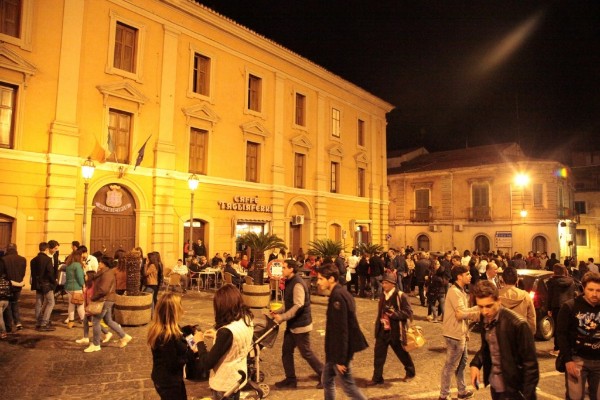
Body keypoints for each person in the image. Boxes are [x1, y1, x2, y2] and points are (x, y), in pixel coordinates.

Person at [470, 280, 539, 399]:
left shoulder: (518, 324)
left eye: (489, 306)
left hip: (515, 390)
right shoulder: (485, 318)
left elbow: (531, 365)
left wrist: (525, 395)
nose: (484, 311)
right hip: (496, 387)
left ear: (499, 301)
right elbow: (487, 346)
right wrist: (476, 364)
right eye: (480, 307)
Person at [316, 263, 368, 400]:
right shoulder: (340, 293)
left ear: (331, 279)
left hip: (340, 353)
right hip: (334, 352)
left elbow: (343, 330)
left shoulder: (338, 297)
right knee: (327, 380)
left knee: (349, 388)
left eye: (321, 279)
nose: (318, 282)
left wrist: (341, 360)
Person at [194, 284, 254, 400]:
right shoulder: (246, 318)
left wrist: (199, 341)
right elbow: (237, 341)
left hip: (224, 383)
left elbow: (207, 363)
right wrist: (217, 335)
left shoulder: (226, 332)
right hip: (237, 377)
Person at [272, 259, 323, 389]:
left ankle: (324, 374)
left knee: (306, 352)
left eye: (284, 267)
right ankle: (290, 380)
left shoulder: (297, 284)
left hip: (301, 325)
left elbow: (298, 305)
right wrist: (277, 311)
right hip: (293, 325)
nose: (282, 270)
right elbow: (289, 303)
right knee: (286, 351)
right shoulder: (290, 282)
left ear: (291, 269)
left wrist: (282, 317)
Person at [148, 292, 202, 399]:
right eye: (180, 305)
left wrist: (188, 330)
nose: (182, 309)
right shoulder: (166, 336)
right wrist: (192, 351)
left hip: (169, 379)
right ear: (173, 311)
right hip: (168, 382)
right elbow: (173, 363)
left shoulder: (167, 327)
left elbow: (178, 335)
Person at [556, 271, 600, 400]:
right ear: (583, 288)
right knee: (574, 397)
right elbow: (561, 335)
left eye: (598, 290)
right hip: (577, 360)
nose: (594, 294)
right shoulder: (570, 306)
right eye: (590, 289)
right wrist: (568, 360)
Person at [439, 265, 479, 400]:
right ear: (459, 277)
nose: (470, 276)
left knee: (462, 363)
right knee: (450, 365)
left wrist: (477, 308)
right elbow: (460, 314)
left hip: (460, 332)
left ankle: (461, 391)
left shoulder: (460, 290)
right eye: (467, 274)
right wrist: (478, 311)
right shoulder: (455, 292)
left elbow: (462, 312)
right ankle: (444, 395)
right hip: (454, 334)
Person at [367, 273, 415, 386]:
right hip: (382, 330)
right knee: (378, 355)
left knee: (402, 353)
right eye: (383, 283)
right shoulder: (383, 295)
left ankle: (410, 372)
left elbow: (409, 312)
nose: (383, 285)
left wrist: (394, 314)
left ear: (393, 284)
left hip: (396, 331)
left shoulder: (401, 295)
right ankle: (377, 378)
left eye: (385, 283)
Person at [85, 256, 132, 353]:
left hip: (104, 300)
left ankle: (96, 344)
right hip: (107, 299)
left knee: (95, 321)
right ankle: (124, 336)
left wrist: (93, 297)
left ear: (104, 264)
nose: (99, 264)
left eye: (100, 262)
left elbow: (103, 290)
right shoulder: (105, 272)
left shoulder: (107, 274)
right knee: (108, 320)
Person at [546, 263, 576, 356]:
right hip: (569, 306)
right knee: (568, 327)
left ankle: (557, 348)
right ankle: (569, 347)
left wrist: (549, 308)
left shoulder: (552, 282)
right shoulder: (571, 281)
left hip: (557, 306)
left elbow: (550, 296)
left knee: (558, 328)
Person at [75, 271, 111, 345]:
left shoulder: (94, 286)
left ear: (90, 277)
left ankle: (106, 333)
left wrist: (88, 307)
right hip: (89, 307)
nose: (85, 277)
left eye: (86, 275)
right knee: (86, 321)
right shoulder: (88, 285)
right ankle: (86, 337)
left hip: (93, 307)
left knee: (94, 322)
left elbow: (92, 297)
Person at [498, 266, 536, 334]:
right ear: (517, 280)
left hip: (502, 333)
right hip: (520, 332)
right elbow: (531, 317)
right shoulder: (525, 295)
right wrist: (531, 333)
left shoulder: (495, 295)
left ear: (502, 279)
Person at [1, 243, 26, 332]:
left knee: (7, 306)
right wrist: (19, 281)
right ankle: (18, 323)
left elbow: (2, 273)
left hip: (7, 285)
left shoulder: (3, 259)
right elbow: (23, 273)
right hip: (18, 284)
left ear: (7, 249)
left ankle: (9, 326)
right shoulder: (23, 259)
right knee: (15, 303)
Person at [31, 242, 56, 331]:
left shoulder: (33, 260)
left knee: (38, 303)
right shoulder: (48, 260)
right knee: (51, 302)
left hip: (37, 284)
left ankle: (38, 322)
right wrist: (54, 282)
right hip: (46, 284)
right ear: (46, 249)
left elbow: (33, 274)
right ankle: (44, 323)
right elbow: (50, 273)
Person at [64, 250, 85, 328]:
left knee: (71, 305)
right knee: (80, 305)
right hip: (77, 287)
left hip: (69, 287)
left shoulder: (68, 265)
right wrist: (83, 285)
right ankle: (84, 321)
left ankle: (71, 322)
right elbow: (79, 277)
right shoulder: (77, 265)